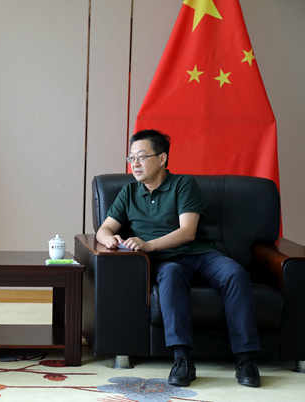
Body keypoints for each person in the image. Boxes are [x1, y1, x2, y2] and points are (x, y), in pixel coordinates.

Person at [96, 129, 261, 388]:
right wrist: (109, 239)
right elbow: (104, 228)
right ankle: (182, 359)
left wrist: (148, 245)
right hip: (167, 263)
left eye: (142, 157)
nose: (135, 164)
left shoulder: (183, 184)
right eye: (131, 158)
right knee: (171, 278)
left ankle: (246, 358)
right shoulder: (128, 192)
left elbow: (188, 232)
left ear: (162, 158)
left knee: (235, 274)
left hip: (200, 254)